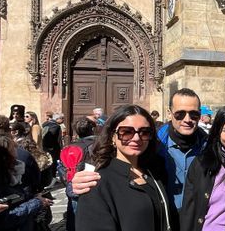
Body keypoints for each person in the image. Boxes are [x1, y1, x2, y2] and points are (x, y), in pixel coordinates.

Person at [72, 88, 207, 216]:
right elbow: (104, 166)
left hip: (198, 220)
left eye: (194, 114)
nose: (187, 119)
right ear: (169, 113)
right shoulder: (150, 145)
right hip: (160, 219)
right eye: (180, 114)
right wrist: (77, 183)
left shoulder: (210, 147)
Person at [56, 117, 97, 231]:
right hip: (89, 194)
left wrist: (69, 185)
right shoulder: (94, 146)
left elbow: (61, 170)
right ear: (92, 129)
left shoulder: (68, 147)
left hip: (72, 192)